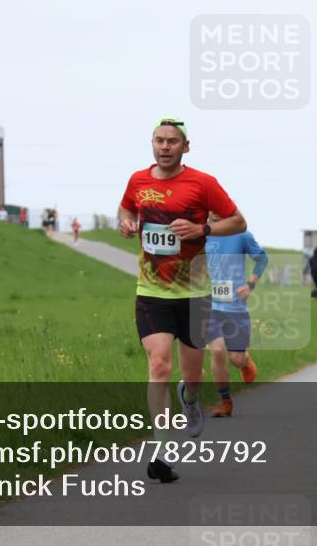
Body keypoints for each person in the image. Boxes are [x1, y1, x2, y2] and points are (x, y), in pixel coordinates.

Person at [118, 117, 247, 483]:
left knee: (192, 378)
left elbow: (237, 221)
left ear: (185, 147)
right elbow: (126, 209)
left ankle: (190, 400)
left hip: (194, 294)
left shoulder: (203, 183)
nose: (164, 147)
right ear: (152, 144)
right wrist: (127, 224)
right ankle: (159, 451)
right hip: (152, 293)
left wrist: (202, 228)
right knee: (159, 365)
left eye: (172, 141)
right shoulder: (137, 181)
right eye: (159, 140)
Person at [204, 215, 268, 417]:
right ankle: (225, 401)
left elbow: (262, 258)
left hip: (237, 308)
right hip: (212, 306)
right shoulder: (202, 234)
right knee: (217, 351)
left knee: (236, 358)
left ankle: (245, 362)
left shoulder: (241, 234)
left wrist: (250, 284)